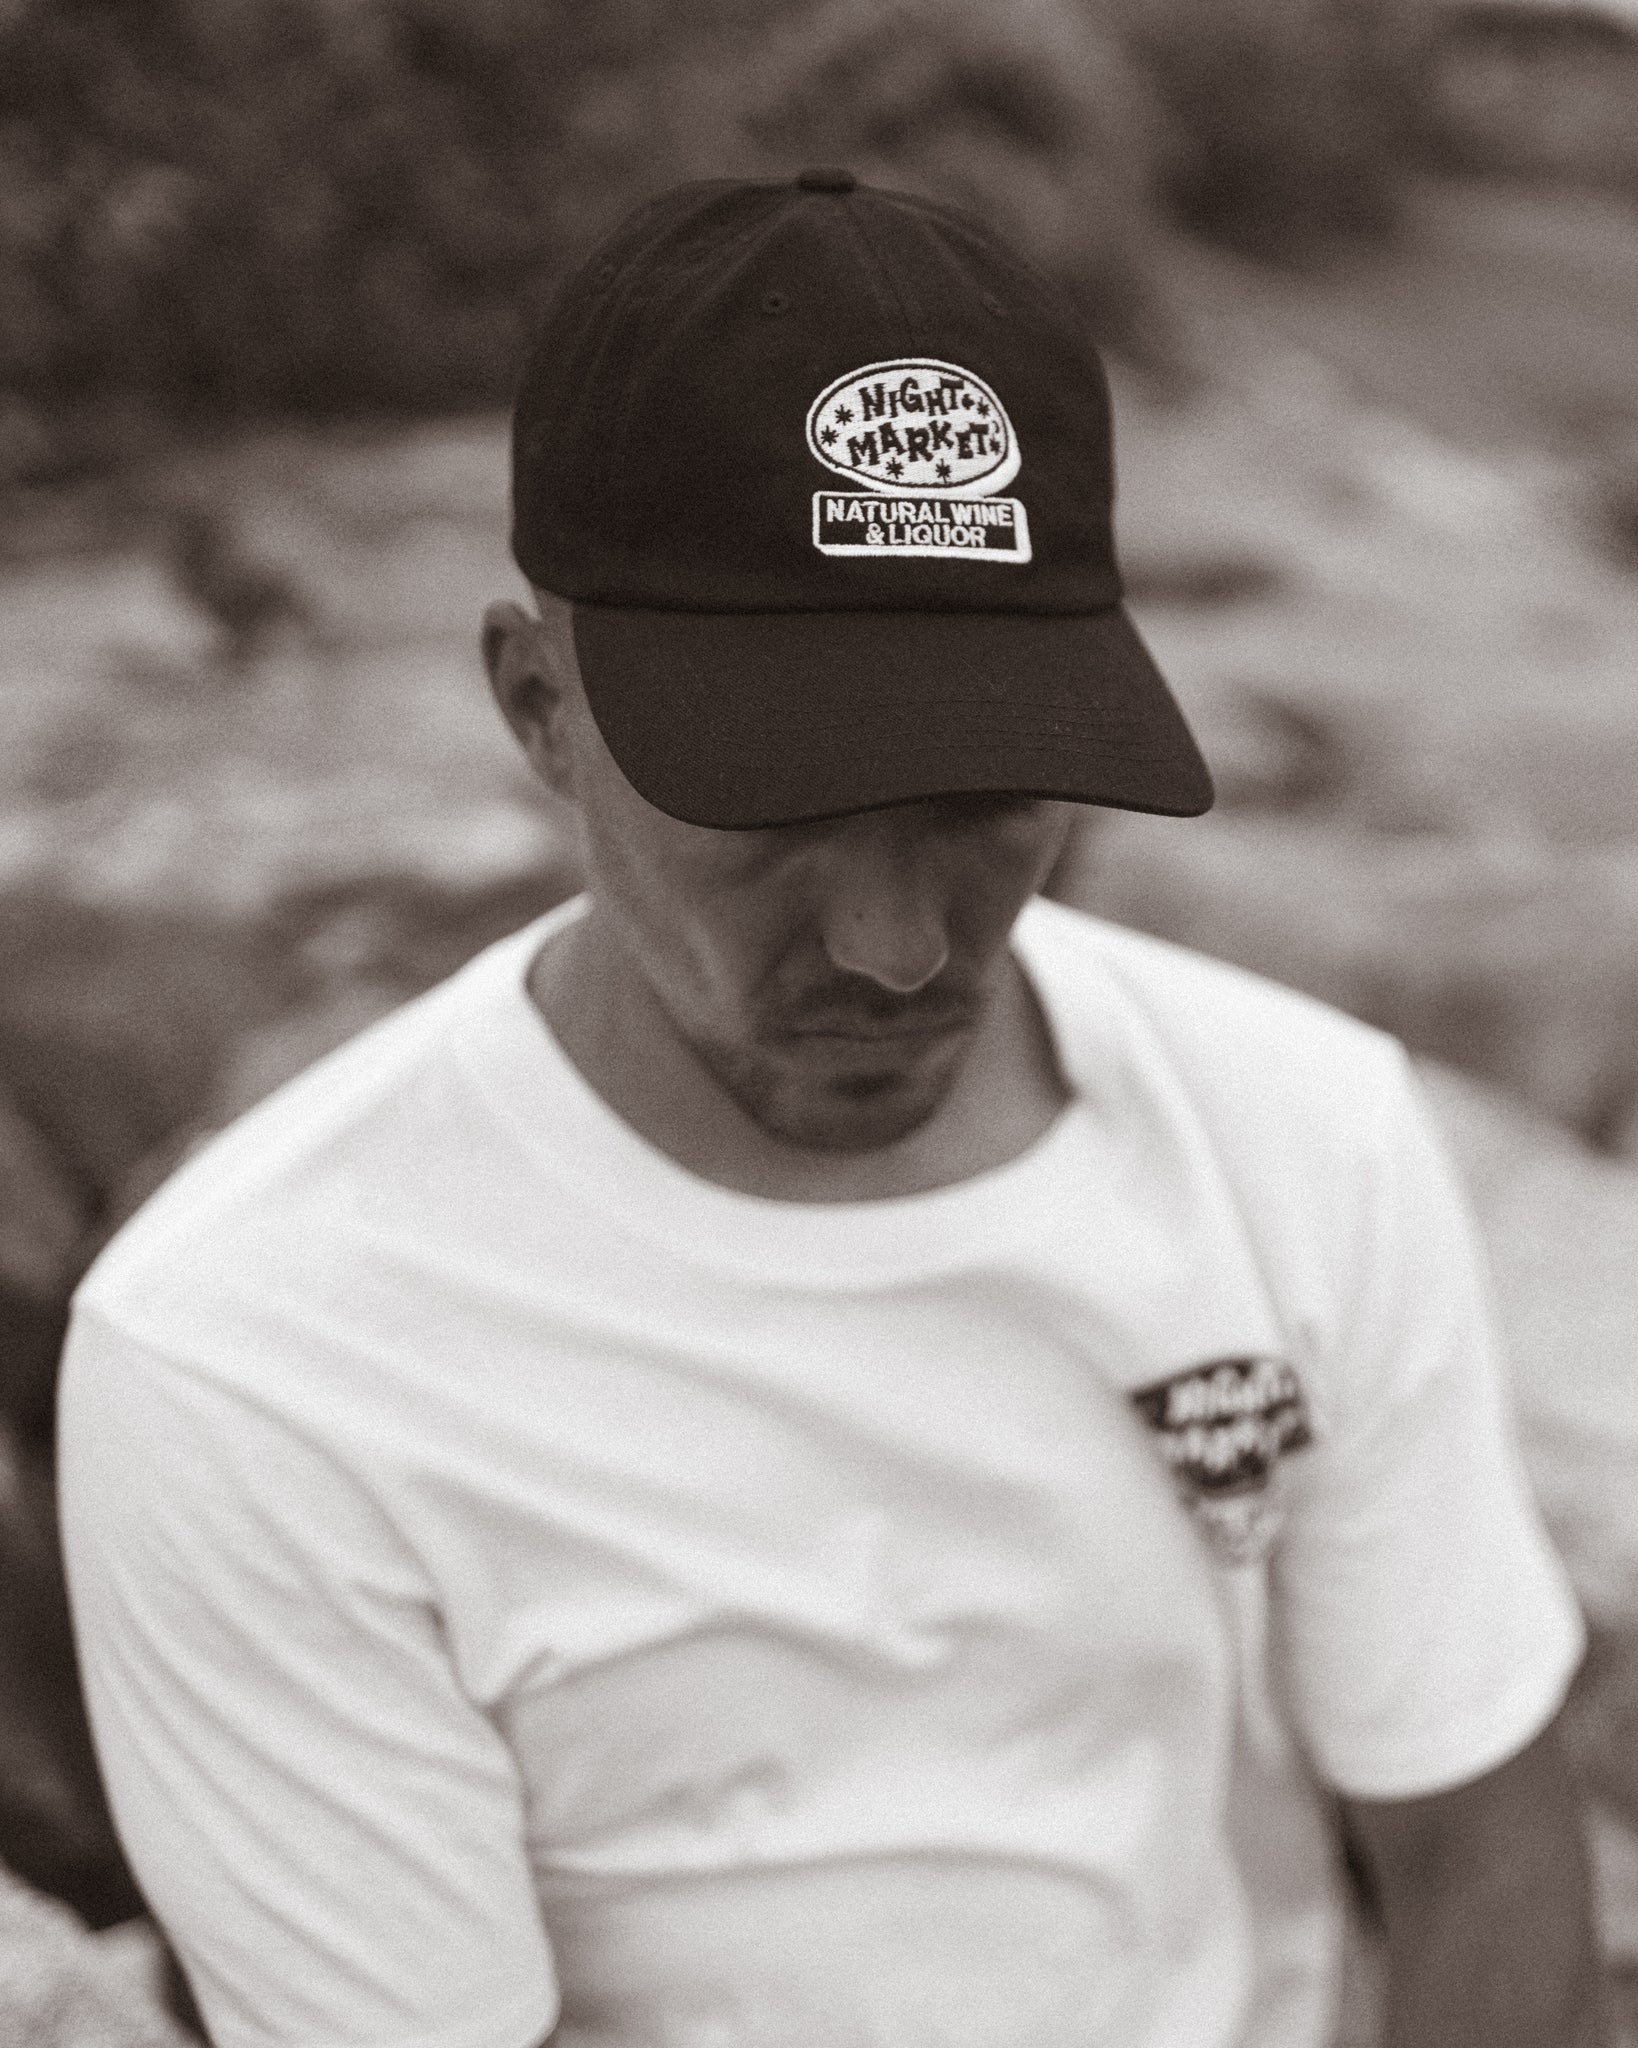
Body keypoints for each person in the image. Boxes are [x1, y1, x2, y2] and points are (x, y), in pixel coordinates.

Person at [58, 170, 1602, 2048]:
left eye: (979, 804)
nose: (890, 950)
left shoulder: (1301, 1132)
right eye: (774, 816)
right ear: (540, 706)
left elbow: (1472, 1836)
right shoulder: (250, 1355)